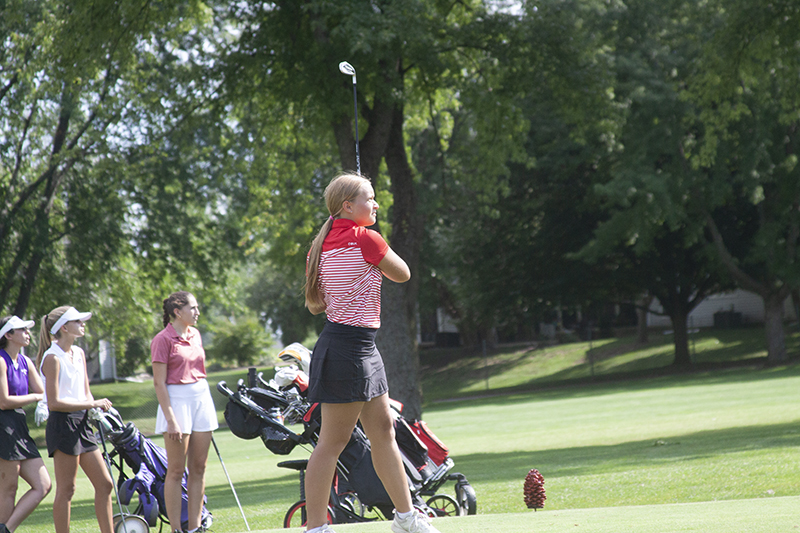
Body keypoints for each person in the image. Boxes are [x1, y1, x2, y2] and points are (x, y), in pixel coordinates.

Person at [303, 173, 440, 533]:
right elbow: (403, 274)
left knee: (383, 432)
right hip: (348, 349)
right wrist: (375, 249)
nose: (376, 205)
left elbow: (316, 306)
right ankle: (316, 528)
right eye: (370, 198)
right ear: (347, 206)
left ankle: (406, 518)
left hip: (359, 347)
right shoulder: (366, 238)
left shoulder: (319, 245)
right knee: (332, 443)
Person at [36, 306, 114, 533]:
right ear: (64, 327)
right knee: (67, 489)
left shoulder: (78, 353)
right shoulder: (52, 358)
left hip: (82, 423)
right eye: (78, 321)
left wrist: (94, 410)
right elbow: (54, 403)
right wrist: (92, 404)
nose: (83, 324)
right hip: (62, 425)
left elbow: (86, 391)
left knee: (105, 484)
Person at [151, 291, 217, 533]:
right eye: (193, 308)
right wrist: (171, 420)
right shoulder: (162, 339)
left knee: (199, 467)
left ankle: (196, 527)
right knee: (177, 470)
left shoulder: (196, 334)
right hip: (176, 402)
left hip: (201, 397)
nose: (197, 312)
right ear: (177, 312)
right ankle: (176, 529)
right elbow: (159, 383)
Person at [0, 316, 52, 533]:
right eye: (21, 329)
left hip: (19, 425)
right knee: (8, 487)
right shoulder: (1, 360)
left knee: (43, 485)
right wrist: (35, 399)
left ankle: (6, 529)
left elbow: (43, 391)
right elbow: (4, 402)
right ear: (8, 335)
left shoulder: (26, 361)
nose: (28, 333)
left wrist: (41, 401)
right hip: (4, 425)